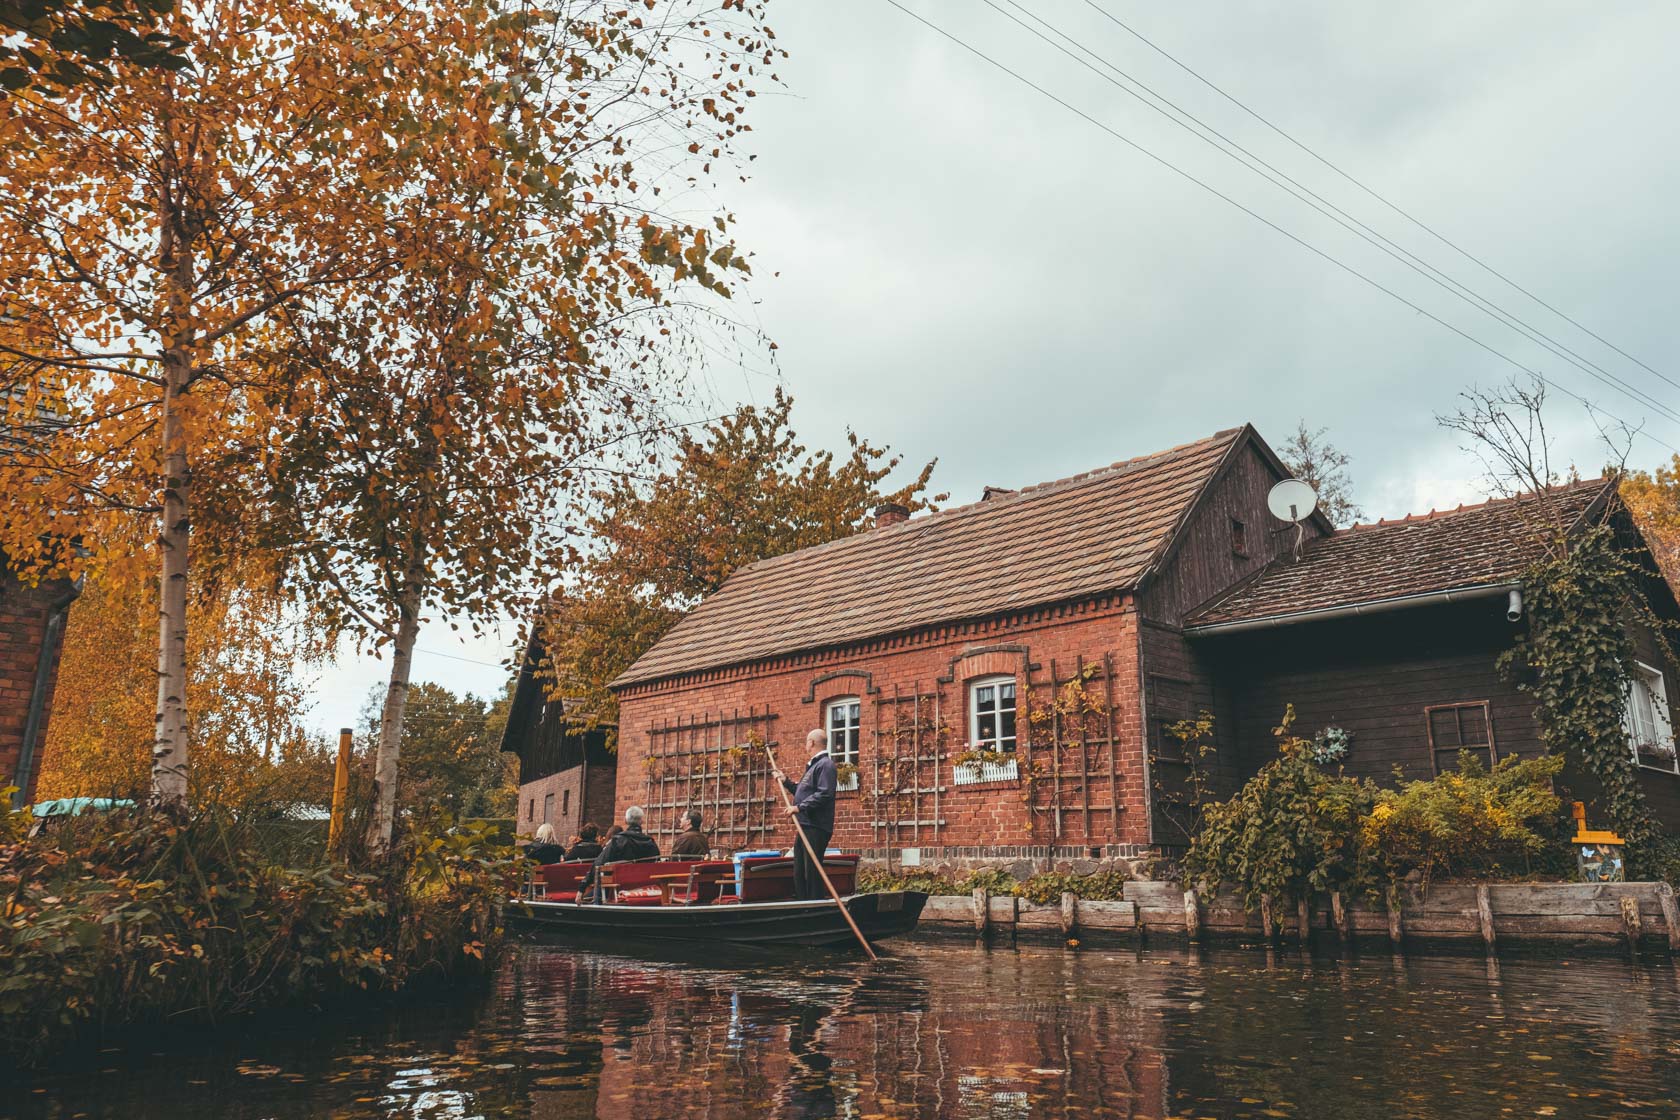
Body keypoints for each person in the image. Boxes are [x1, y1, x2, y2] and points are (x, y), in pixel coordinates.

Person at [772, 728, 838, 901]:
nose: (805, 744)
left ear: (812, 742)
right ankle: (803, 902)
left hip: (816, 826)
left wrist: (799, 808)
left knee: (812, 870)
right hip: (806, 826)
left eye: (806, 741)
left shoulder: (826, 765)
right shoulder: (813, 766)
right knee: (799, 870)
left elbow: (825, 794)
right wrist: (785, 781)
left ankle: (814, 904)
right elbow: (803, 792)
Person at [582, 806, 661, 899]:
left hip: (616, 891)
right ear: (641, 821)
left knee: (587, 897)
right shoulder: (651, 842)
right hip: (644, 890)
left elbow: (598, 864)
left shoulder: (617, 841)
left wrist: (582, 887)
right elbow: (657, 862)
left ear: (626, 821)